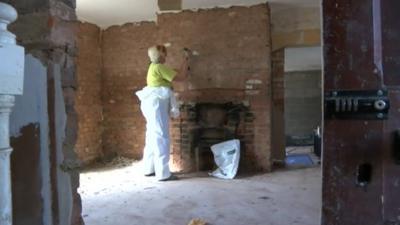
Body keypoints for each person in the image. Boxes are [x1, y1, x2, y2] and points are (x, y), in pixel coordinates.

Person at [136, 45, 189, 181]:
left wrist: (184, 62)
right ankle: (163, 174)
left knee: (152, 135)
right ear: (160, 56)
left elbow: (177, 72)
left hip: (151, 103)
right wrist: (187, 58)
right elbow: (182, 77)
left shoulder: (154, 67)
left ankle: (149, 169)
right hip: (157, 104)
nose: (166, 56)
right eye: (164, 54)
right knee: (161, 136)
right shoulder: (159, 67)